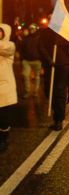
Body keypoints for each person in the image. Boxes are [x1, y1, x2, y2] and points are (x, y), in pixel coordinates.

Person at [38, 26, 69, 131]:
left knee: (59, 91)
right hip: (50, 65)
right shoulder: (45, 32)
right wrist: (49, 60)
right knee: (48, 91)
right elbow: (40, 46)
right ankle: (56, 114)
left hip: (63, 65)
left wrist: (62, 42)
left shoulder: (66, 31)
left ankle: (59, 120)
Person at [0, 23, 18, 152]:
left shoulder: (9, 45)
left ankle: (3, 139)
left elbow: (5, 49)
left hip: (5, 88)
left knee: (3, 118)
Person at [20, 23, 42, 98]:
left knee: (37, 77)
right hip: (27, 61)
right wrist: (22, 59)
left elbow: (42, 49)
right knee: (25, 75)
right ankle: (27, 91)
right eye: (31, 29)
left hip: (37, 61)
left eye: (33, 28)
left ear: (36, 29)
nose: (32, 30)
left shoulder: (40, 38)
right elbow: (21, 48)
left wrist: (42, 59)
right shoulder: (26, 38)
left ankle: (35, 92)